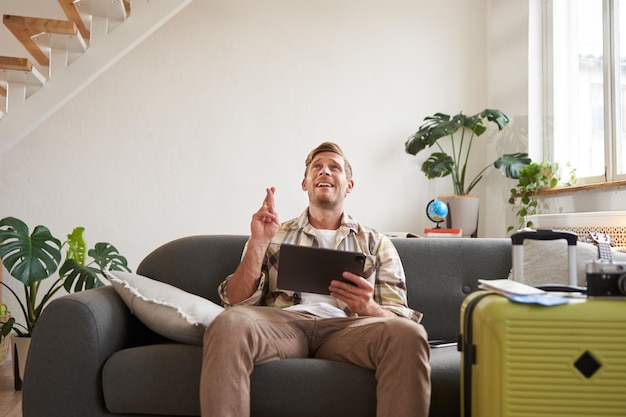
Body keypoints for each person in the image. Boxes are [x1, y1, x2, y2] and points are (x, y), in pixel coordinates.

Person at [200, 142, 431, 417]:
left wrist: (368, 306)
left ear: (349, 185)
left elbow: (397, 319)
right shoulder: (273, 232)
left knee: (411, 334)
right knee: (229, 322)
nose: (325, 172)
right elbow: (236, 301)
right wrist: (258, 242)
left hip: (348, 330)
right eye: (317, 168)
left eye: (335, 167)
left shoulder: (376, 243)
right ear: (304, 183)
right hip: (285, 325)